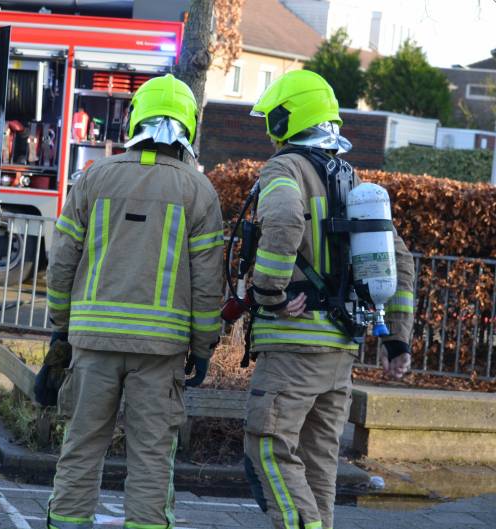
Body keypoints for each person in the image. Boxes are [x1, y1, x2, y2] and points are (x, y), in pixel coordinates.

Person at [42, 74, 225, 529]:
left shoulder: (93, 179)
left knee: (81, 447)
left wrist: (60, 327)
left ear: (134, 119)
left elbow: (61, 261)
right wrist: (203, 348)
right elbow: (208, 287)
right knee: (150, 458)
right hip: (160, 354)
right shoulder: (199, 192)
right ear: (189, 124)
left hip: (92, 345)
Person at [243, 69, 415, 529]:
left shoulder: (286, 168)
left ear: (287, 118)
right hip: (341, 348)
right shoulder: (356, 183)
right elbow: (401, 260)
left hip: (294, 343)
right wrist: (397, 341)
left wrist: (269, 294)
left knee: (270, 443)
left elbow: (281, 220)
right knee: (320, 460)